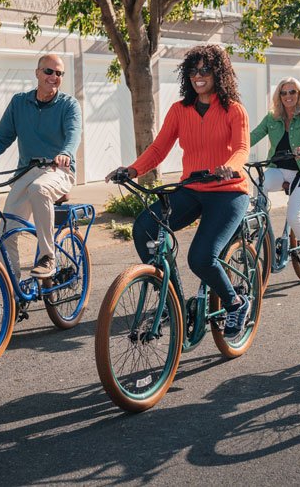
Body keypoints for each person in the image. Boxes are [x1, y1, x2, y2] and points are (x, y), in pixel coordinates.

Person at [106, 45, 252, 337]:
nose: (198, 76)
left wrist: (229, 166)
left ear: (218, 73)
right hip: (192, 187)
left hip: (229, 191)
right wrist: (132, 169)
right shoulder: (180, 110)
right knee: (144, 227)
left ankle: (235, 302)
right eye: (193, 70)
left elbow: (241, 149)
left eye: (205, 70)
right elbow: (159, 148)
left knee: (200, 257)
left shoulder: (233, 110)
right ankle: (172, 298)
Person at [0, 53, 81, 280]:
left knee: (40, 189)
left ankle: (48, 257)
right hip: (26, 173)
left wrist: (65, 153)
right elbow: (1, 139)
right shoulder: (20, 103)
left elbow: (73, 134)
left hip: (58, 171)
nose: (53, 77)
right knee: (7, 233)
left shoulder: (69, 105)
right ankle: (13, 291)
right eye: (49, 71)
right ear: (37, 73)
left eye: (59, 73)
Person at [250, 76, 300, 273]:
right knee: (259, 183)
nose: (288, 96)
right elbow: (253, 136)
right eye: (284, 92)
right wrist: (235, 149)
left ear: (299, 94)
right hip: (278, 169)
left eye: (292, 92)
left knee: (293, 216)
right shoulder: (272, 117)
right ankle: (260, 221)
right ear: (278, 96)